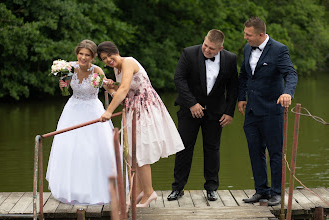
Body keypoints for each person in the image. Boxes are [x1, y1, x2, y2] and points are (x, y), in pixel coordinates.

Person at [98, 41, 185, 207]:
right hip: (133, 110)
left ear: (117, 52)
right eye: (104, 58)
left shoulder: (128, 62)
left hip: (145, 110)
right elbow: (121, 93)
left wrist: (108, 111)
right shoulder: (117, 69)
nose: (108, 60)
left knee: (141, 152)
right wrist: (109, 88)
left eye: (110, 55)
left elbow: (124, 90)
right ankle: (137, 191)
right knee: (132, 153)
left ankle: (149, 192)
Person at [168, 29, 239, 201]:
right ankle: (178, 188)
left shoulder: (230, 59)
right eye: (205, 45)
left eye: (211, 49)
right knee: (184, 148)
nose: (207, 50)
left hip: (216, 112)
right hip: (189, 110)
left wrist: (229, 112)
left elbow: (233, 87)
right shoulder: (189, 53)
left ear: (220, 49)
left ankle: (211, 188)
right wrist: (192, 103)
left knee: (212, 149)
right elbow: (179, 79)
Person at [46, 39, 116, 205]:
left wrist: (114, 89)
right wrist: (62, 84)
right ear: (77, 53)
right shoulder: (69, 68)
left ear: (92, 57)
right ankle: (71, 189)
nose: (83, 57)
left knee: (93, 150)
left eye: (87, 55)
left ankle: (95, 189)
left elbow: (108, 88)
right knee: (70, 148)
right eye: (81, 54)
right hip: (73, 110)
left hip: (93, 110)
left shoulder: (97, 70)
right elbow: (65, 87)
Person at [238, 17, 298, 206]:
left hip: (272, 111)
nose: (245, 37)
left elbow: (291, 73)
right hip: (252, 111)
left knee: (275, 153)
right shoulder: (248, 48)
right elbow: (244, 75)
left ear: (261, 35)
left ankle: (277, 192)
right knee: (255, 151)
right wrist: (241, 97)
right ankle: (261, 190)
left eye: (248, 35)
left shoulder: (279, 50)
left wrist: (287, 93)